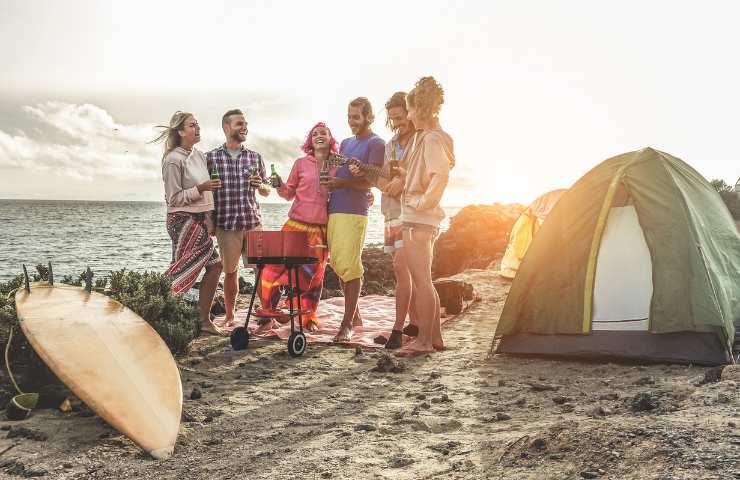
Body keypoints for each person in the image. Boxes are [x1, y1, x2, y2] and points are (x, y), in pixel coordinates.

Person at [350, 92, 419, 349]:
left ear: (410, 114)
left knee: (406, 270)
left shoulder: (418, 142)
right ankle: (413, 323)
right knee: (402, 270)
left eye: (400, 118)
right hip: (391, 214)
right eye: (393, 120)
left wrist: (401, 182)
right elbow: (380, 179)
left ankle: (398, 329)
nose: (397, 124)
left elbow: (418, 176)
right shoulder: (390, 145)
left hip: (411, 214)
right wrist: (374, 177)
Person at [255, 122, 338, 332]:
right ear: (310, 141)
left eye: (323, 133)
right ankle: (268, 316)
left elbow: (345, 193)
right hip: (294, 226)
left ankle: (307, 317)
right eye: (315, 134)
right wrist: (279, 185)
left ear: (330, 138)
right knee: (271, 269)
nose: (319, 136)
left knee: (311, 278)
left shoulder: (338, 165)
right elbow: (288, 194)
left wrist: (366, 195)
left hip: (320, 232)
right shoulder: (301, 163)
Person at [395, 77, 455, 356]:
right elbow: (428, 173)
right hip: (425, 220)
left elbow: (440, 175)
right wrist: (407, 178)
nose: (407, 116)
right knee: (425, 280)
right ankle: (436, 338)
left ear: (419, 109)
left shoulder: (431, 138)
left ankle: (424, 341)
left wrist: (419, 202)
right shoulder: (434, 137)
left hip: (419, 220)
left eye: (408, 110)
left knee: (421, 282)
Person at [156, 111, 224, 335]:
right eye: (192, 125)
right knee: (209, 264)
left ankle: (195, 317)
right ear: (181, 131)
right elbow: (173, 199)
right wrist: (201, 188)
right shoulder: (173, 160)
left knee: (206, 265)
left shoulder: (199, 155)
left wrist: (209, 219)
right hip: (180, 219)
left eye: (198, 124)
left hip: (199, 219)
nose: (198, 128)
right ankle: (155, 298)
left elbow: (208, 195)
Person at [324, 97, 385, 342]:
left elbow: (372, 181)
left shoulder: (376, 143)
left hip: (354, 211)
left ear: (369, 117)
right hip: (335, 208)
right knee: (338, 263)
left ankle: (347, 324)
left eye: (356, 117)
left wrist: (343, 183)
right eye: (349, 117)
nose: (352, 122)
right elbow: (334, 170)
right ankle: (356, 314)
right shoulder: (346, 143)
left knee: (351, 265)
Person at [206, 109, 271, 326]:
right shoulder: (211, 158)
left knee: (259, 270)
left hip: (252, 221)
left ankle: (267, 315)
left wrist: (260, 184)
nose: (244, 128)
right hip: (226, 224)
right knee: (230, 273)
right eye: (239, 124)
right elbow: (207, 194)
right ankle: (231, 317)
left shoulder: (254, 157)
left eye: (245, 124)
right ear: (227, 127)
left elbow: (266, 190)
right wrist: (209, 221)